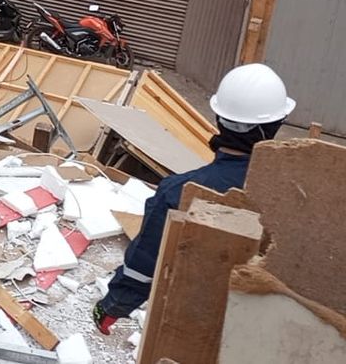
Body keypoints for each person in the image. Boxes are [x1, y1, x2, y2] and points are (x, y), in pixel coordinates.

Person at [93, 63, 295, 333]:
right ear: (275, 126)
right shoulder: (296, 192)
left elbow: (143, 265)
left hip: (195, 325)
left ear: (219, 120)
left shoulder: (180, 192)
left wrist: (112, 306)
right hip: (277, 328)